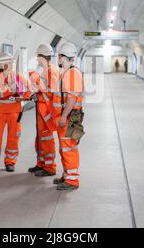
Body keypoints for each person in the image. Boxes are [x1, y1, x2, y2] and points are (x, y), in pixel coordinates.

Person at [0, 53, 31, 172]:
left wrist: (23, 97)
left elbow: (28, 90)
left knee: (13, 138)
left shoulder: (18, 76)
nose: (8, 65)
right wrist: (12, 89)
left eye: (10, 62)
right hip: (1, 112)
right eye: (6, 62)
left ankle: (10, 162)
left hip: (15, 112)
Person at [53, 42, 85, 190]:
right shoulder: (67, 72)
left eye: (59, 56)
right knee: (64, 148)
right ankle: (67, 175)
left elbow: (71, 98)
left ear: (63, 57)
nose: (57, 59)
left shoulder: (72, 73)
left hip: (70, 117)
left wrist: (64, 116)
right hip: (67, 115)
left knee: (68, 148)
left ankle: (72, 180)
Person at [27, 44, 60, 177]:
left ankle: (50, 167)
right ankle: (41, 163)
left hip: (47, 109)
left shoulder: (51, 71)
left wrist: (37, 82)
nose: (37, 59)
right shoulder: (47, 70)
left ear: (42, 56)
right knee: (40, 137)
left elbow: (50, 91)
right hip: (42, 107)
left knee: (46, 138)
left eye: (38, 56)